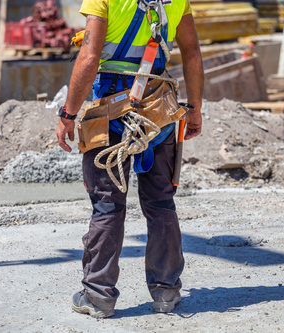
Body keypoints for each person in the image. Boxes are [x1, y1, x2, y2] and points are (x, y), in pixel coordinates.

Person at [56, 0, 203, 318]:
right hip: (159, 110)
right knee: (161, 202)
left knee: (107, 205)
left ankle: (98, 296)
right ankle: (166, 292)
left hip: (110, 111)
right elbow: (191, 52)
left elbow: (90, 56)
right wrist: (194, 108)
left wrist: (68, 114)